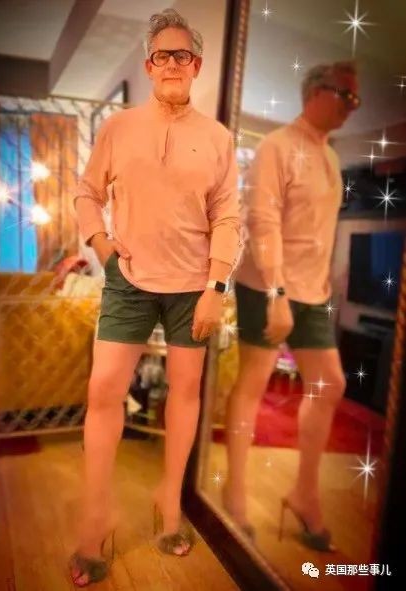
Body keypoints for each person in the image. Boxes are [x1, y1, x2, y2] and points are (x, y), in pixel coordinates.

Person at [69, 8, 241, 586]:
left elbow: (227, 217)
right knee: (103, 391)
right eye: (161, 55)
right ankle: (95, 518)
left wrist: (216, 287)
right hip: (129, 281)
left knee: (185, 393)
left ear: (196, 65)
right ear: (149, 65)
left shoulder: (218, 138)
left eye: (181, 54)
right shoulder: (118, 128)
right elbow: (87, 192)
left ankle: (170, 501)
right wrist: (102, 246)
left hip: (194, 286)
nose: (171, 63)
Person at [223, 61, 360, 552]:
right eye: (346, 95)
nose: (352, 107)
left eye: (356, 99)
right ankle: (234, 494)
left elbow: (320, 234)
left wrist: (318, 290)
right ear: (316, 92)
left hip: (313, 293)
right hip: (267, 284)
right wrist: (277, 294)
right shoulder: (276, 147)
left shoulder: (332, 158)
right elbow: (262, 221)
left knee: (330, 385)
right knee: (253, 385)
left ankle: (304, 493)